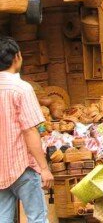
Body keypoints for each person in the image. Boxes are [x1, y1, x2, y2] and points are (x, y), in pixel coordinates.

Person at [0, 36, 54, 223]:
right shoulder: (22, 89)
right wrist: (44, 168)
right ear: (17, 57)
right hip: (22, 166)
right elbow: (31, 131)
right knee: (37, 218)